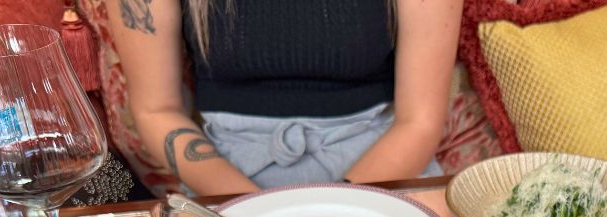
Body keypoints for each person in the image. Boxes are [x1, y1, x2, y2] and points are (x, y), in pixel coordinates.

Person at [104, 0, 460, 194]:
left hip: (380, 172)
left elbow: (420, 121)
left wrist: (336, 207)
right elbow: (156, 110)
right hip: (224, 179)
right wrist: (254, 211)